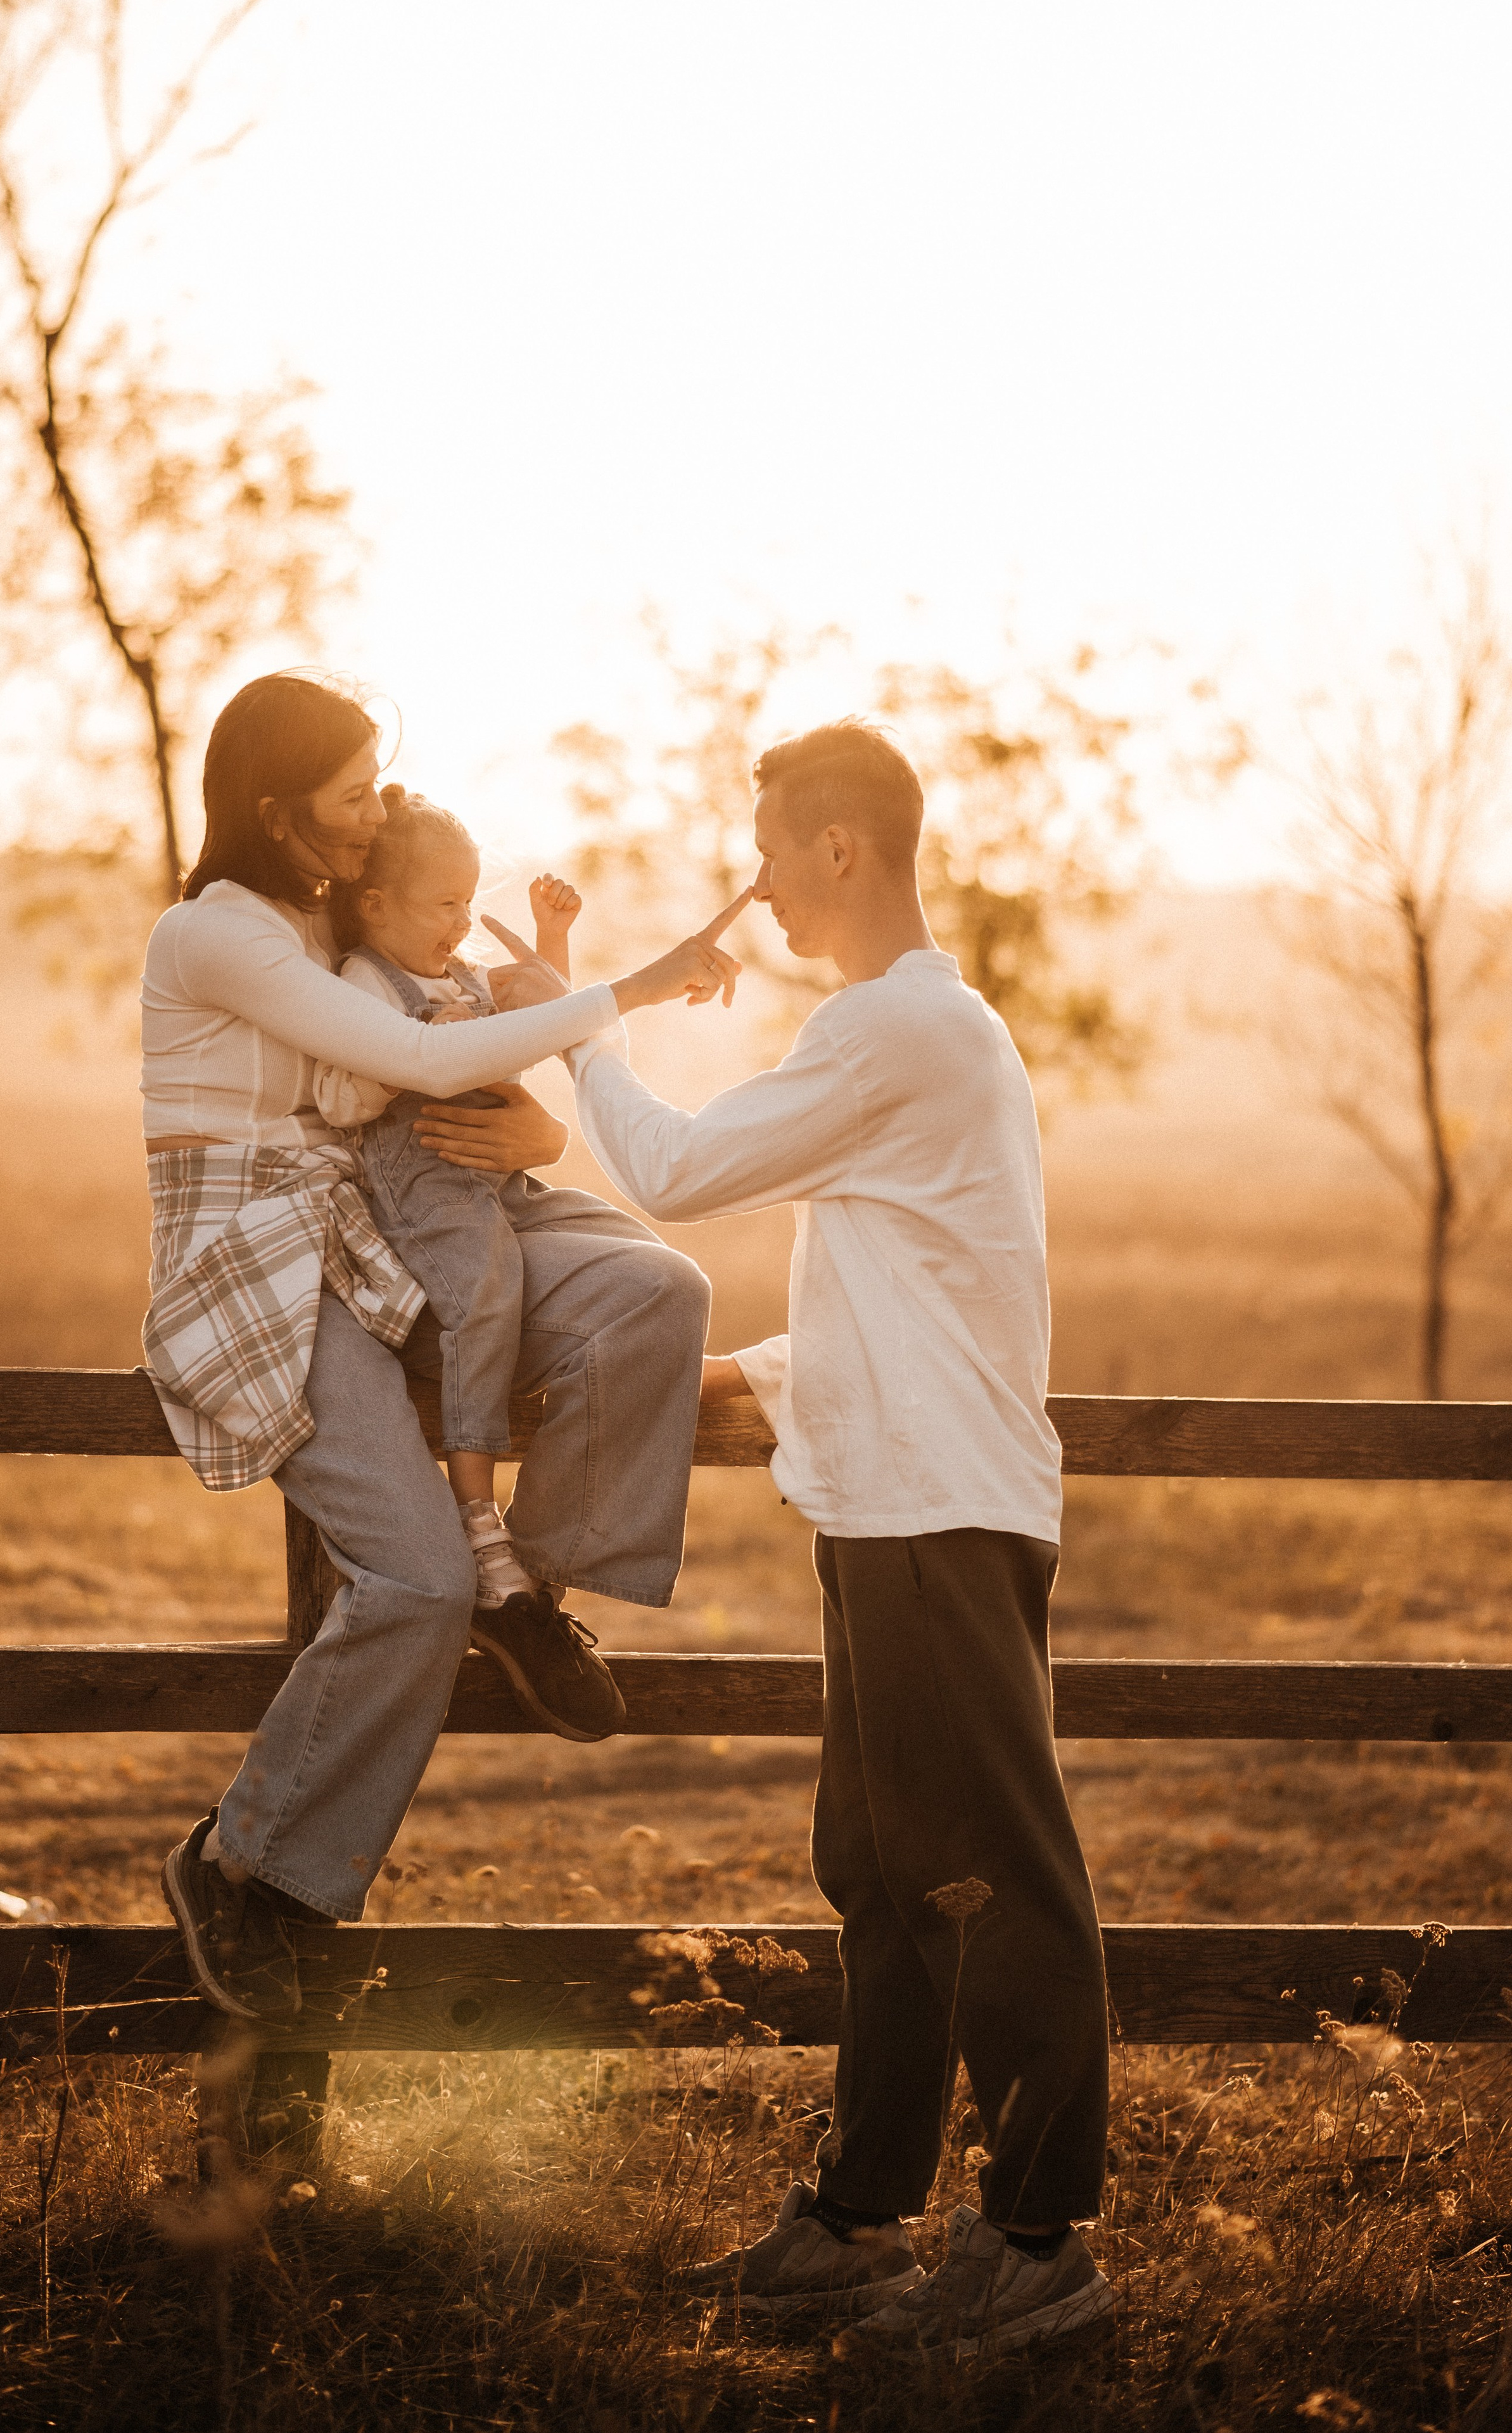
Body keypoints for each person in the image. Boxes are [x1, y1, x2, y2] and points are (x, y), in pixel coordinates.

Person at [421, 716, 1113, 2356]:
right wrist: (752, 1371)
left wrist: (571, 1023)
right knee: (879, 1865)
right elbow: (930, 1286)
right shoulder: (917, 1043)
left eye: (769, 849)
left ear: (842, 851)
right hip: (892, 1493)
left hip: (943, 1508)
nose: (756, 882)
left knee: (997, 1871)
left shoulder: (898, 1035)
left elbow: (660, 1168)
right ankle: (862, 2224)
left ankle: (1040, 2251)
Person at [145, 670, 740, 2021]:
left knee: (654, 1294)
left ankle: (527, 1597)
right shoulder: (219, 936)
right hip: (261, 1266)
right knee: (410, 1582)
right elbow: (402, 1066)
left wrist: (538, 1130)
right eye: (349, 796)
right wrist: (625, 991)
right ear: (273, 808)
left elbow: (436, 1062)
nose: (370, 820)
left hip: (378, 1233)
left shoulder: (322, 920)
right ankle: (241, 1870)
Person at [312, 784, 680, 1732]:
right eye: (444, 905)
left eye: (471, 902)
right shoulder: (361, 983)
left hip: (503, 1189)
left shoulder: (457, 969)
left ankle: (535, 1583)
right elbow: (350, 1094)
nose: (462, 923)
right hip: (428, 1194)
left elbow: (535, 1032)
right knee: (487, 1285)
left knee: (660, 1273)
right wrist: (410, 1054)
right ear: (374, 906)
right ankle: (479, 1525)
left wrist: (550, 945)